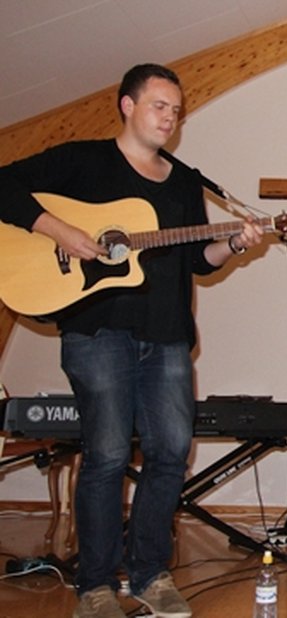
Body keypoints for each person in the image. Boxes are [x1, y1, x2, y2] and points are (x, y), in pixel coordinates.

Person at [0, 63, 263, 618]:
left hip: (167, 336)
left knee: (170, 452)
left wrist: (236, 244)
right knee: (108, 455)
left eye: (177, 110)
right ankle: (95, 587)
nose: (170, 118)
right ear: (127, 104)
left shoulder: (186, 181)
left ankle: (150, 574)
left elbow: (199, 260)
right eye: (159, 106)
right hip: (97, 332)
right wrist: (62, 231)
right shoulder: (82, 161)